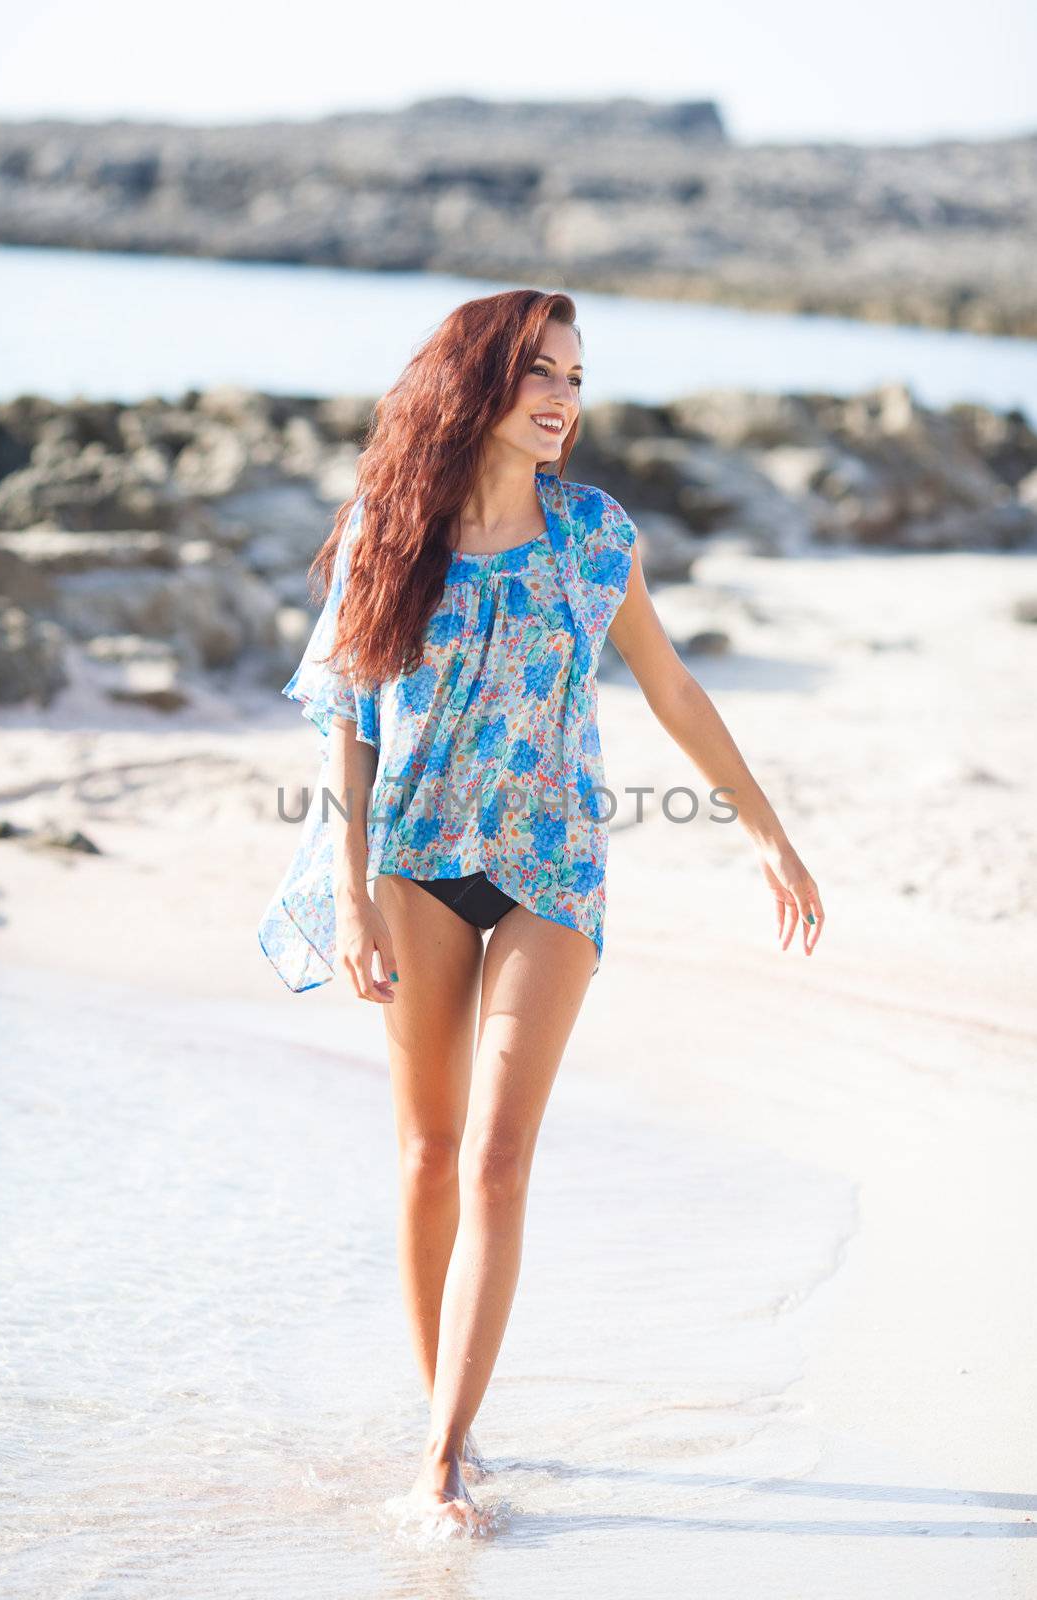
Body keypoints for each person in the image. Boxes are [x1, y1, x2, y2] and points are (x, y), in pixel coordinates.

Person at [257, 288, 824, 1534]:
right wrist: (348, 898)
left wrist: (766, 833)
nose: (564, 398)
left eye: (574, 376)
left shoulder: (591, 536)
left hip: (549, 869)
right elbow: (346, 724)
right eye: (540, 374)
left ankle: (444, 1458)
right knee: (422, 1159)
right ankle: (441, 1410)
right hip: (412, 862)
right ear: (481, 384)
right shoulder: (388, 532)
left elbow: (668, 685)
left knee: (497, 1155)